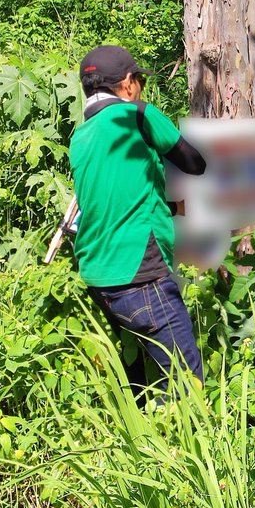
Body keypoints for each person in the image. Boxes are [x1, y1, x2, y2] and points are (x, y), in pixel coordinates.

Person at [69, 45, 208, 399]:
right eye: (140, 82)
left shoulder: (80, 137)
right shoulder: (138, 115)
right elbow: (195, 164)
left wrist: (172, 208)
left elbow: (118, 200)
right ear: (128, 84)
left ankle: (137, 426)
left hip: (98, 276)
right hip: (139, 274)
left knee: (142, 380)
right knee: (185, 384)